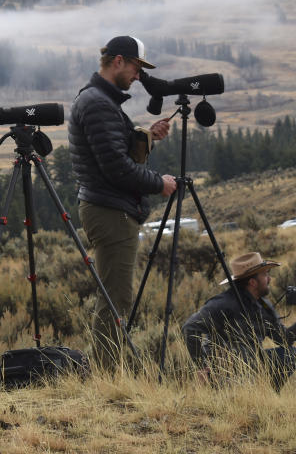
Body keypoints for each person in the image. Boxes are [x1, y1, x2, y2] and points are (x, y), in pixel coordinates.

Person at [67, 35, 177, 368]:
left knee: (116, 296)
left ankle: (110, 368)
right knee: (115, 298)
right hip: (110, 211)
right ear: (118, 61)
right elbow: (115, 167)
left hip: (108, 208)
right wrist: (159, 183)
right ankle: (106, 373)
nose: (138, 76)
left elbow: (112, 151)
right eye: (135, 67)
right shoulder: (99, 103)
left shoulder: (99, 100)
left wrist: (144, 137)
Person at [182, 252, 296, 391]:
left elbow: (284, 339)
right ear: (253, 282)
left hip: (252, 364)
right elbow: (190, 328)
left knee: (290, 355)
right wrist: (202, 366)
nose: (269, 279)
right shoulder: (223, 303)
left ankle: (268, 395)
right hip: (223, 371)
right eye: (265, 275)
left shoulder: (263, 305)